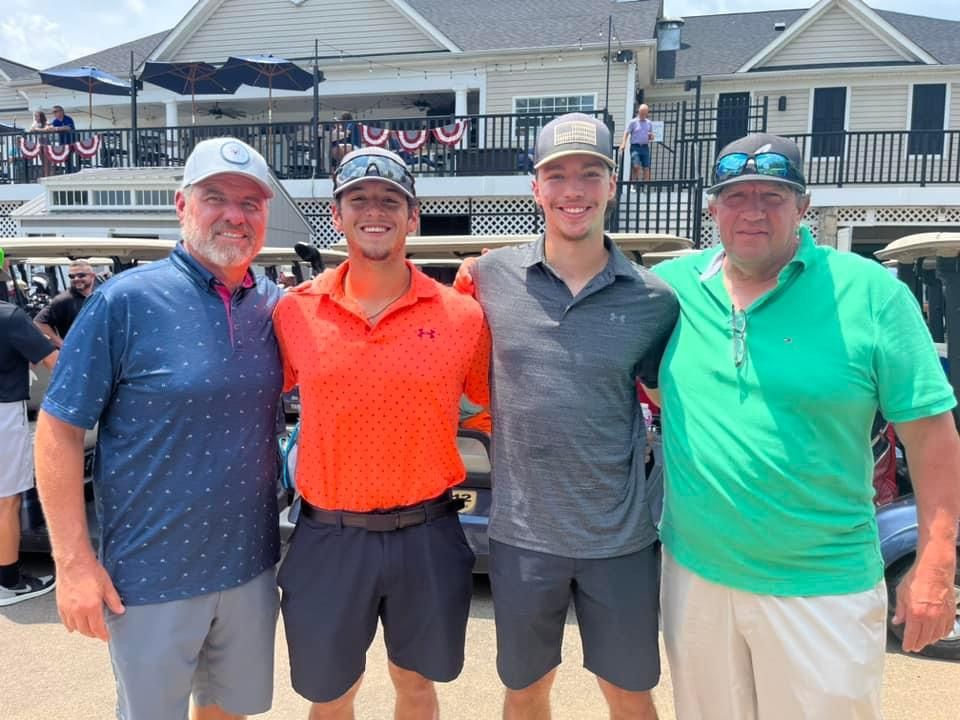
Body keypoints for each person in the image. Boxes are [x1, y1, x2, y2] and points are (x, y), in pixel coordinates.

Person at [650, 132, 960, 719]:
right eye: (736, 195)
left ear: (803, 205)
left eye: (773, 195)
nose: (753, 210)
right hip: (696, 577)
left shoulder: (869, 293)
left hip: (823, 586)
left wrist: (936, 564)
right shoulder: (671, 288)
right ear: (712, 208)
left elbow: (932, 435)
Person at [34, 136, 283, 720]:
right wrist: (72, 563)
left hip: (251, 565)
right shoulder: (124, 301)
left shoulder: (273, 304)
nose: (234, 215)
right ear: (181, 205)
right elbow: (59, 430)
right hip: (149, 575)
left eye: (251, 203)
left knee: (229, 712)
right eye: (215, 197)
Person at [457, 112, 678, 719]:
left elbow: (672, 401)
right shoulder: (489, 277)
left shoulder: (653, 298)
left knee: (631, 693)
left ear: (612, 185)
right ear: (536, 187)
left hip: (621, 538)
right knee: (526, 691)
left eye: (590, 173)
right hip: (523, 537)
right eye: (557, 175)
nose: (573, 191)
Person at [272, 146, 489, 720]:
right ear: (337, 216)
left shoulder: (461, 316)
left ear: (412, 216)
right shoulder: (295, 312)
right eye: (358, 200)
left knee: (416, 684)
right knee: (331, 695)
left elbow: (502, 406)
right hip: (328, 535)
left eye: (391, 200)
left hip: (427, 531)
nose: (376, 211)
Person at [0, 299, 57, 606]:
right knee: (6, 501)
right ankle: (8, 583)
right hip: (3, 413)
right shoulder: (8, 315)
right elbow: (54, 362)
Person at [33, 259, 96, 348]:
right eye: (72, 276)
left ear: (92, 276)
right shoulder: (63, 299)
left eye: (81, 275)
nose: (76, 279)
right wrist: (63, 345)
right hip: (76, 353)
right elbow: (38, 322)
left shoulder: (98, 296)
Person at [620, 104, 654, 183]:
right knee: (636, 166)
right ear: (639, 112)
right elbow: (626, 133)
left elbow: (651, 137)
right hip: (635, 147)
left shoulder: (649, 123)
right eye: (642, 113)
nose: (643, 115)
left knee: (646, 167)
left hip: (645, 147)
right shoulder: (633, 122)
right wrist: (623, 143)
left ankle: (646, 186)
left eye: (645, 113)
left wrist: (651, 136)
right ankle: (633, 184)